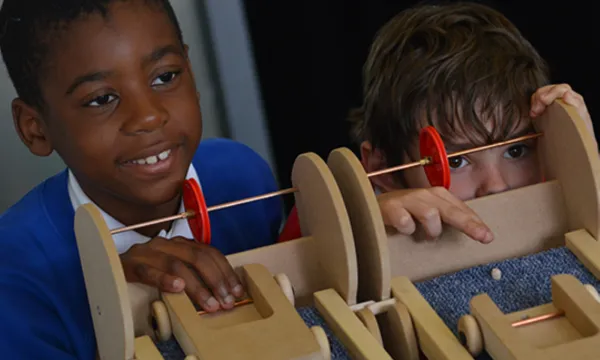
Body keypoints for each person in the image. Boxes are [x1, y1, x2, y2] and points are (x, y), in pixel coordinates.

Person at [0, 0, 282, 358]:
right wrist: (112, 297)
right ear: (35, 128)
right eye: (102, 99)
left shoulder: (243, 177)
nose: (148, 117)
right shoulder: (13, 276)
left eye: (165, 77)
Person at [278, 2, 593, 243]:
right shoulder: (340, 215)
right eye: (456, 161)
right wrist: (364, 224)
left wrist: (585, 163)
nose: (496, 186)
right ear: (383, 167)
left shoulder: (554, 181)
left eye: (517, 151)